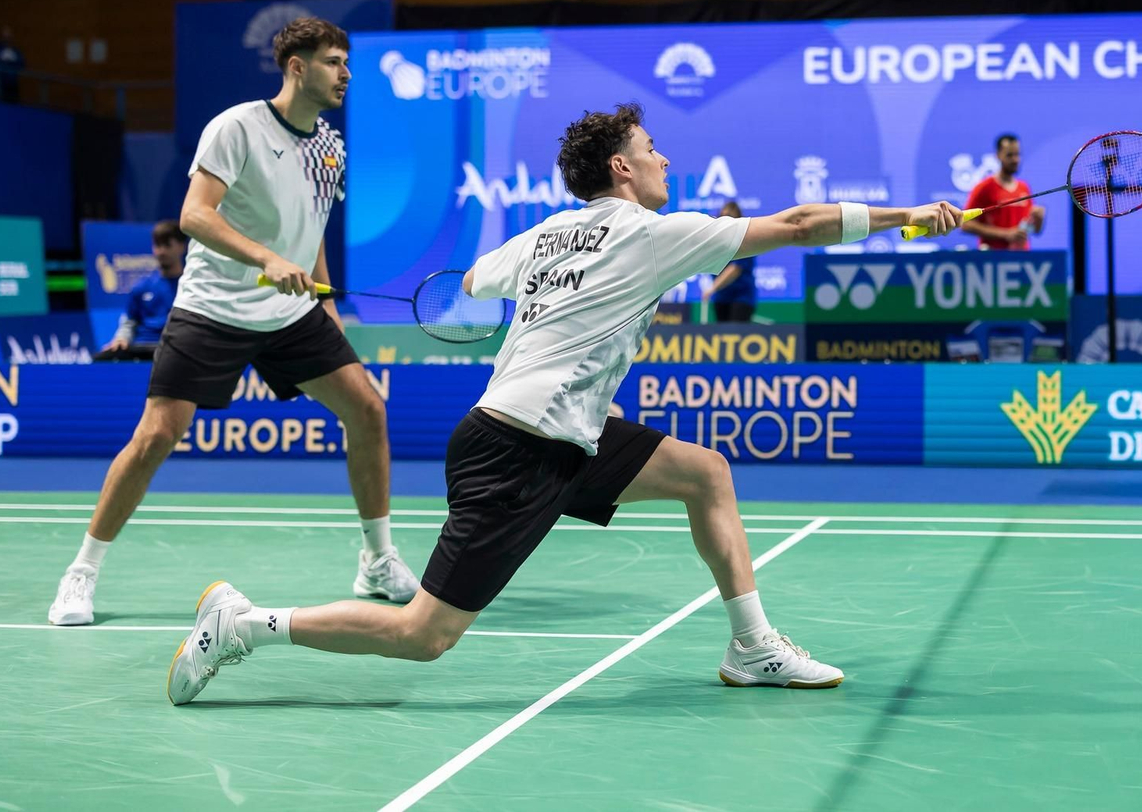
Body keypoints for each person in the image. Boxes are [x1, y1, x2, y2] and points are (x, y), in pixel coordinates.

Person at [164, 102, 964, 704]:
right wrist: (908, 216)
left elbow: (472, 284)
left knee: (705, 473)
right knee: (424, 636)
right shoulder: (652, 233)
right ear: (621, 169)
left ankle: (752, 647)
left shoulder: (545, 234)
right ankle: (242, 623)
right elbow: (796, 224)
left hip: (558, 431)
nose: (662, 159)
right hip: (520, 449)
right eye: (650, 150)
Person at [49, 17, 418, 627]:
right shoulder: (236, 127)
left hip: (292, 314)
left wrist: (326, 307)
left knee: (368, 410)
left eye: (346, 62)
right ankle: (82, 570)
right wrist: (268, 257)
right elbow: (195, 215)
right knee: (156, 437)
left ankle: (377, 560)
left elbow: (314, 229)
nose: (346, 73)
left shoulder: (330, 147)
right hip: (213, 309)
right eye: (333, 62)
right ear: (296, 67)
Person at [94, 220, 187, 361]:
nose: (161, 251)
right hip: (142, 349)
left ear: (182, 247)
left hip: (178, 349)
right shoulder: (141, 287)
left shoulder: (190, 286)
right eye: (157, 245)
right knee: (101, 359)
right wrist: (121, 338)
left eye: (167, 245)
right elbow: (130, 321)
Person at [962, 133, 1044, 250]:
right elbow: (966, 224)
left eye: (1017, 154)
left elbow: (1035, 230)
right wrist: (1006, 234)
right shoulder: (984, 187)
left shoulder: (1024, 187)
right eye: (1009, 155)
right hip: (994, 260)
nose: (1015, 160)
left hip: (1023, 258)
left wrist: (1039, 219)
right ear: (998, 155)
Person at [704, 201, 757, 322]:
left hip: (741, 298)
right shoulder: (716, 242)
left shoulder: (745, 240)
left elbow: (735, 269)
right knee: (722, 337)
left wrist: (712, 288)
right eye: (723, 217)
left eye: (730, 217)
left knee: (737, 336)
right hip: (721, 298)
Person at [0, 25, 24, 103]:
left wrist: (12, 59)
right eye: (5, 35)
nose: (7, 37)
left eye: (9, 35)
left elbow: (21, 63)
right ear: (1, 36)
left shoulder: (15, 51)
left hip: (12, 86)